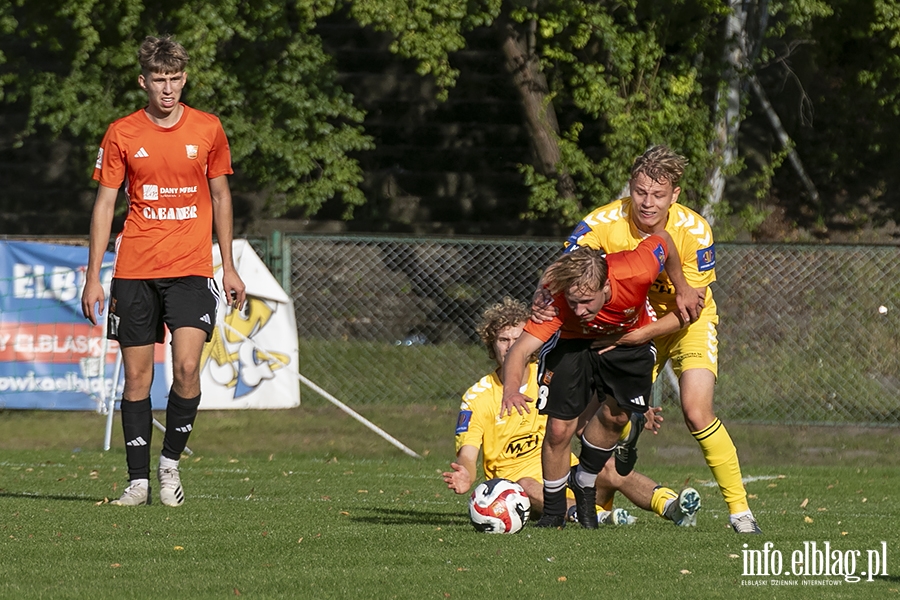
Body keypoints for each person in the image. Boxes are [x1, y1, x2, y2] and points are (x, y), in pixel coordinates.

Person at [556, 144, 761, 534]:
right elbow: (566, 271)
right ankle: (593, 504)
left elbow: (689, 309)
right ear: (629, 187)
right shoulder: (603, 223)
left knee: (696, 411)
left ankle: (740, 513)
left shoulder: (695, 231)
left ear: (675, 195)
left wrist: (638, 336)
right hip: (631, 325)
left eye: (658, 195)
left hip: (684, 324)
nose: (647, 203)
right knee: (594, 418)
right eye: (640, 192)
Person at [80, 35, 246, 507]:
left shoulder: (208, 129)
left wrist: (229, 266)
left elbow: (221, 197)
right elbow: (104, 204)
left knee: (188, 367)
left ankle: (169, 463)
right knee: (137, 381)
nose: (167, 89)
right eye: (159, 80)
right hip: (135, 269)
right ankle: (137, 482)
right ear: (144, 82)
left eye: (174, 79)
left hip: (192, 268)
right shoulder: (122, 133)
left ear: (184, 79)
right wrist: (94, 275)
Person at [501, 235, 700, 529]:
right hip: (572, 342)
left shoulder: (637, 269)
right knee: (558, 428)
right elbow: (519, 350)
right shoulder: (557, 302)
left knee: (617, 415)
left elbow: (665, 241)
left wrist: (682, 287)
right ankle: (555, 512)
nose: (579, 310)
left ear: (606, 287)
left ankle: (584, 480)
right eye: (573, 302)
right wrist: (510, 389)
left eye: (585, 301)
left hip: (629, 339)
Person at [442, 298, 628, 524]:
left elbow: (590, 407)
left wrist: (632, 409)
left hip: (566, 474)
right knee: (527, 484)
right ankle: (597, 515)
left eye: (517, 339)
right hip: (520, 489)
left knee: (610, 467)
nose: (511, 346)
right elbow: (468, 455)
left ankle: (671, 505)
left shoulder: (548, 375)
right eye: (503, 339)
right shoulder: (478, 397)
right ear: (491, 345)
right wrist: (466, 475)